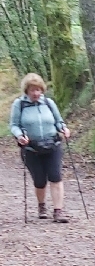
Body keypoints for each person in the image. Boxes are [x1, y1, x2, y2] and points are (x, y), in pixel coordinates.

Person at [10, 73, 72, 223]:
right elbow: (14, 125)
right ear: (26, 90)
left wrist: (64, 129)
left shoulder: (49, 103)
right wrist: (19, 136)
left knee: (55, 176)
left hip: (53, 145)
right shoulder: (19, 104)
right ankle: (41, 206)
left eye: (38, 90)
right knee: (39, 180)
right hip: (31, 148)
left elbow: (58, 121)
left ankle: (58, 211)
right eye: (32, 90)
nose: (36, 93)